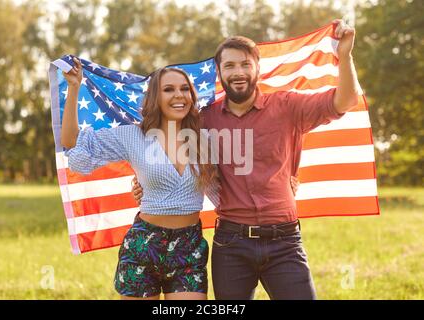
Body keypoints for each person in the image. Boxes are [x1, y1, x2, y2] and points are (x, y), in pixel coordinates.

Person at [132, 19, 360, 300]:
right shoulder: (204, 120)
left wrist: (346, 55)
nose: (238, 72)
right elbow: (165, 153)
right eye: (229, 66)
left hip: (284, 242)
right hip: (231, 244)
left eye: (244, 64)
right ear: (220, 72)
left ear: (257, 68)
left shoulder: (287, 107)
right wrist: (142, 181)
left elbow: (345, 100)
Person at [61, 60, 219, 300]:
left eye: (184, 89)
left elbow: (245, 174)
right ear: (155, 97)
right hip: (143, 246)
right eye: (169, 89)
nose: (179, 95)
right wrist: (74, 88)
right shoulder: (133, 135)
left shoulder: (206, 138)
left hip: (189, 247)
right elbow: (73, 144)